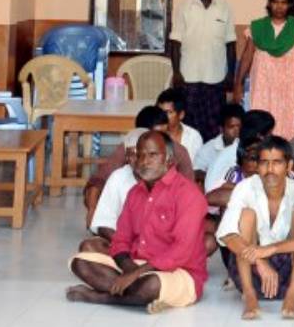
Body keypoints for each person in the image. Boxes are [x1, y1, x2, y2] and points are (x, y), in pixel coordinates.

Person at [67, 132, 208, 313]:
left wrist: (137, 274)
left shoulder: (188, 194)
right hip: (139, 263)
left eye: (152, 155)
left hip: (179, 272)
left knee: (151, 284)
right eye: (140, 155)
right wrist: (130, 269)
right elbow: (120, 240)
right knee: (80, 263)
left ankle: (102, 297)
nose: (144, 161)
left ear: (169, 159)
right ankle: (138, 296)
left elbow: (181, 251)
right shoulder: (135, 192)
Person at [216, 137, 294, 320]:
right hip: (252, 271)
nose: (270, 170)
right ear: (257, 166)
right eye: (264, 163)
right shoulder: (245, 188)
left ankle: (293, 294)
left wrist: (271, 249)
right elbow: (226, 234)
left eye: (277, 163)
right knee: (246, 215)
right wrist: (259, 260)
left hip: (292, 269)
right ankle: (249, 296)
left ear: (289, 165)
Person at [168, 0, 237, 138]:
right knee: (189, 124)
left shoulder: (225, 7)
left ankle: (209, 164)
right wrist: (176, 72)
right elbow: (175, 42)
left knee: (214, 125)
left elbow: (230, 44)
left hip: (216, 78)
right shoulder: (184, 7)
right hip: (188, 77)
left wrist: (231, 74)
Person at [237, 0, 294, 140]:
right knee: (260, 122)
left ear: (290, 5)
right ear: (269, 3)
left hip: (288, 87)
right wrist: (238, 83)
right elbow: (246, 56)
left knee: (289, 122)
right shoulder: (257, 27)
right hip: (262, 85)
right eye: (275, 2)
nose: (279, 6)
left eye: (284, 2)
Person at [155, 87, 204, 165]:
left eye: (169, 112)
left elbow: (196, 168)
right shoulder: (152, 134)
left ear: (181, 115)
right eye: (160, 112)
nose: (163, 116)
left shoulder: (193, 137)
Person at [195, 102, 244, 175]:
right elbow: (197, 171)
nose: (236, 131)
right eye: (231, 127)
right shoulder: (208, 149)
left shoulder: (246, 147)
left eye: (239, 127)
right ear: (221, 129)